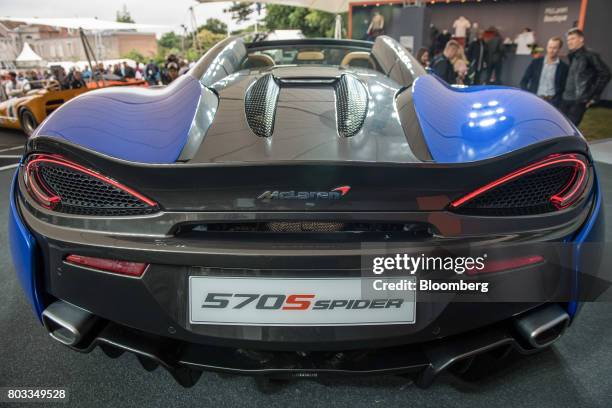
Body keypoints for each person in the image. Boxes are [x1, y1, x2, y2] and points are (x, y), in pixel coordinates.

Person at [560, 28, 611, 126]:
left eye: (573, 39)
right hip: (565, 98)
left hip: (578, 100)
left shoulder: (590, 55)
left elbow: (605, 74)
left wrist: (593, 96)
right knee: (560, 126)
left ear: (581, 39)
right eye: (568, 40)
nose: (569, 42)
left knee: (570, 129)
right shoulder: (572, 55)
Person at [520, 37, 568, 108]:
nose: (551, 50)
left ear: (559, 49)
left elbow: (563, 87)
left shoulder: (564, 67)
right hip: (535, 99)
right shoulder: (536, 62)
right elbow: (524, 81)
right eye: (550, 47)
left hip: (553, 102)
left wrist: (558, 101)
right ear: (547, 47)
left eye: (554, 48)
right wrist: (528, 96)